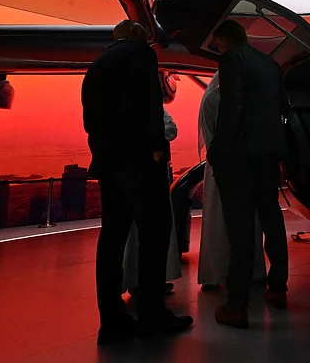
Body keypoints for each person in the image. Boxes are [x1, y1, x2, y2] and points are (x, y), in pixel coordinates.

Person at [81, 20, 192, 344]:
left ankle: (112, 322)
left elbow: (90, 121)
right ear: (135, 36)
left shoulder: (95, 67)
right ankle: (152, 316)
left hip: (109, 164)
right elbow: (149, 105)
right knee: (154, 235)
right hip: (141, 164)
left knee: (112, 239)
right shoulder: (141, 56)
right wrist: (157, 149)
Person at [207, 19, 290, 328]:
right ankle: (278, 287)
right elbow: (282, 108)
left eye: (217, 42)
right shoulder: (270, 64)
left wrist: (218, 150)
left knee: (240, 229)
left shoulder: (231, 59)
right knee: (271, 218)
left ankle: (237, 305)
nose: (216, 47)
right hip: (268, 155)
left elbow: (232, 108)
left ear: (224, 39)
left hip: (240, 157)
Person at [196, 72, 267, 290]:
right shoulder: (246, 97)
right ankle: (252, 271)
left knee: (218, 221)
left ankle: (215, 272)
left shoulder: (212, 98)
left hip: (220, 166)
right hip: (241, 166)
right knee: (246, 220)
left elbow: (210, 136)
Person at [123, 107, 183, 294]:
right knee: (147, 232)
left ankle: (150, 281)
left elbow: (171, 129)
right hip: (144, 178)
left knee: (152, 231)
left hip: (150, 177)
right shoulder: (148, 108)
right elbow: (169, 130)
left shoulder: (151, 108)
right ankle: (142, 283)